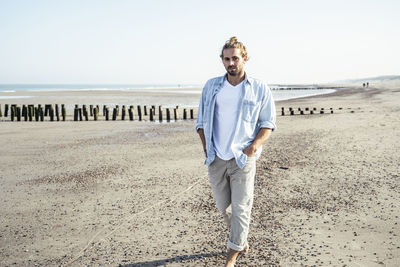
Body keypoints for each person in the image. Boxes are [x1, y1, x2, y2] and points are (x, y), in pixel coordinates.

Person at [196, 37, 276, 266]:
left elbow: (268, 123)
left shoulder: (259, 88)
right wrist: (205, 147)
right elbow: (200, 121)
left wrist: (253, 147)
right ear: (222, 60)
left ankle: (231, 257)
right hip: (216, 158)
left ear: (245, 59)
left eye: (235, 58)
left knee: (241, 207)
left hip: (243, 158)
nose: (231, 63)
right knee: (224, 207)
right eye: (227, 59)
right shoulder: (212, 86)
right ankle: (240, 240)